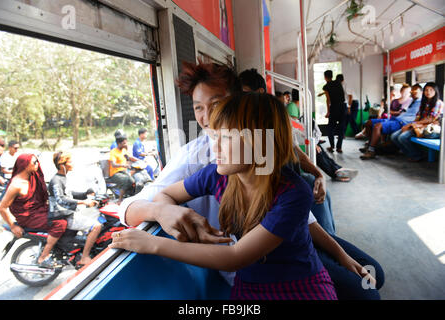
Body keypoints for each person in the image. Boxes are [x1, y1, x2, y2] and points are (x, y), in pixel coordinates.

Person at [116, 61, 384, 300]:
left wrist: (340, 253)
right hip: (256, 269)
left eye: (217, 104)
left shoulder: (271, 165)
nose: (207, 116)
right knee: (367, 290)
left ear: (239, 102)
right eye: (199, 107)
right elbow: (140, 202)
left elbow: (296, 214)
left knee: (373, 277)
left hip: (292, 264)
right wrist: (165, 211)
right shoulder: (211, 166)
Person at [0, 154, 67, 267]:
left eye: (37, 162)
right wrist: (13, 226)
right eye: (34, 162)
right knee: (60, 223)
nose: (37, 164)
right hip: (28, 217)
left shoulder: (32, 176)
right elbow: (2, 208)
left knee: (65, 213)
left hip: (39, 210)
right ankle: (43, 257)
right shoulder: (16, 184)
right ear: (25, 166)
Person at [48, 151, 103, 266]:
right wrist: (83, 201)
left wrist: (85, 193)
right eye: (70, 161)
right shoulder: (56, 180)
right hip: (63, 216)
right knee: (96, 226)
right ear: (62, 164)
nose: (72, 163)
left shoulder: (63, 178)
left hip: (68, 213)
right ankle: (85, 257)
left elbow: (69, 194)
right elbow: (61, 199)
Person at [360, 84, 422, 160]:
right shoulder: (412, 101)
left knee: (377, 126)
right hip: (395, 119)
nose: (412, 92)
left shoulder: (421, 102)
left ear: (421, 93)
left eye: (415, 91)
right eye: (412, 91)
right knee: (368, 122)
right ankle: (370, 146)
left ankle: (371, 151)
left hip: (402, 122)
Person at [391, 82, 444, 161]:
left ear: (436, 91)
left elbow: (431, 119)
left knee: (402, 137)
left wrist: (412, 124)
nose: (428, 92)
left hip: (429, 128)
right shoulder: (424, 102)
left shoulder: (438, 103)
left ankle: (417, 155)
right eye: (426, 90)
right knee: (394, 136)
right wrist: (410, 125)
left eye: (431, 90)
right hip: (418, 126)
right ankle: (411, 154)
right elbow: (418, 116)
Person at [322, 70, 347, 153]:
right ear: (332, 76)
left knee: (330, 128)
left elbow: (328, 100)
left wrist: (328, 112)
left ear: (325, 77)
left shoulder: (326, 87)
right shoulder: (338, 82)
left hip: (334, 107)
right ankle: (339, 147)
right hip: (343, 107)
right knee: (341, 127)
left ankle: (332, 146)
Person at [108, 135, 137, 203]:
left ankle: (130, 196)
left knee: (133, 180)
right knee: (126, 180)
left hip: (123, 171)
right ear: (119, 144)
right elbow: (113, 164)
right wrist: (123, 165)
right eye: (124, 143)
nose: (126, 144)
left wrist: (139, 161)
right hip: (115, 173)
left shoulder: (124, 150)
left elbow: (129, 158)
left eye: (126, 143)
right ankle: (120, 200)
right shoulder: (113, 152)